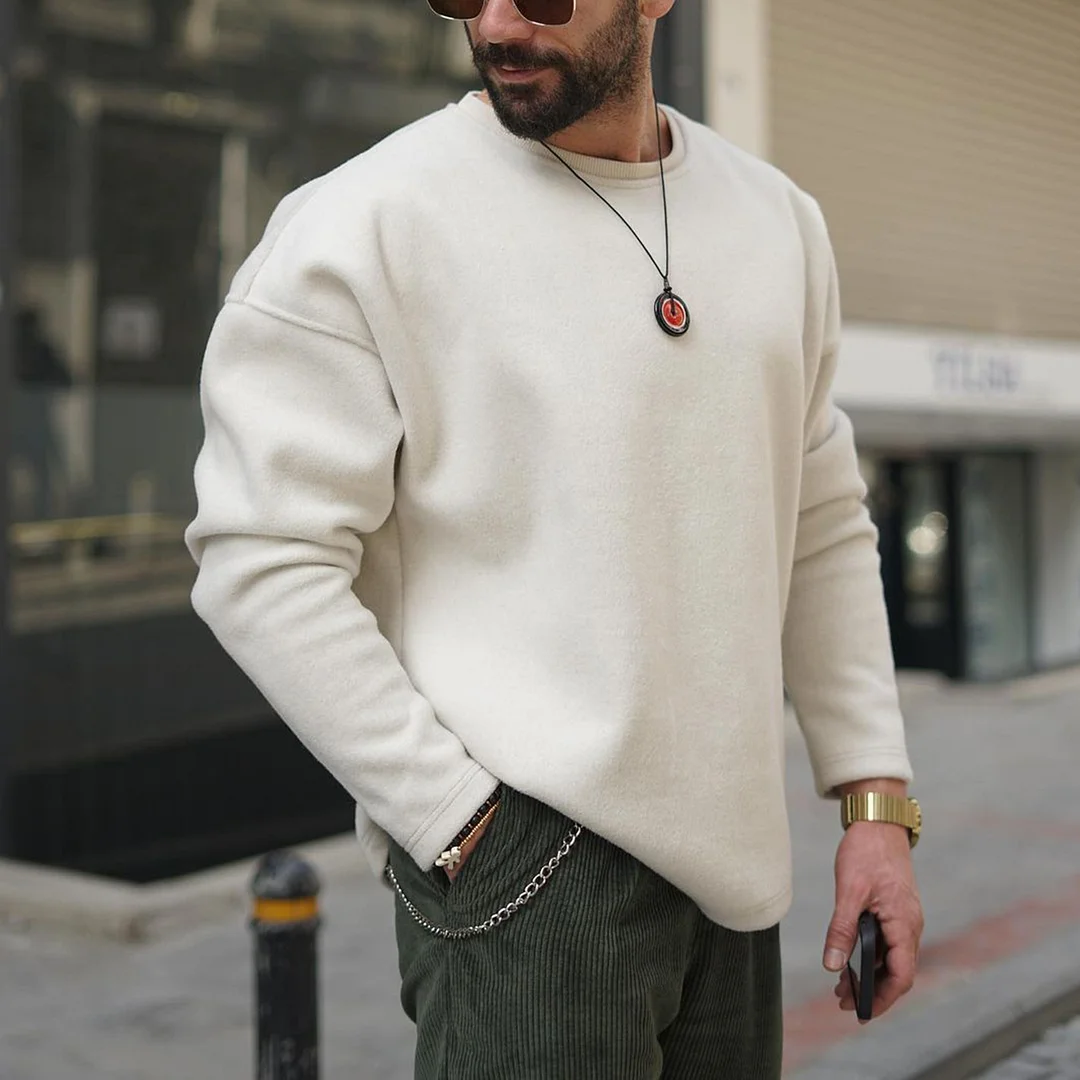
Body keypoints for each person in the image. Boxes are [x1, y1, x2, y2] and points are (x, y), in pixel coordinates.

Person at [186, 0, 924, 1075]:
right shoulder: (363, 223)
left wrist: (876, 804)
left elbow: (818, 516)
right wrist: (453, 818)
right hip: (526, 872)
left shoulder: (778, 222)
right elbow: (259, 554)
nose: (496, 24)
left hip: (736, 882)